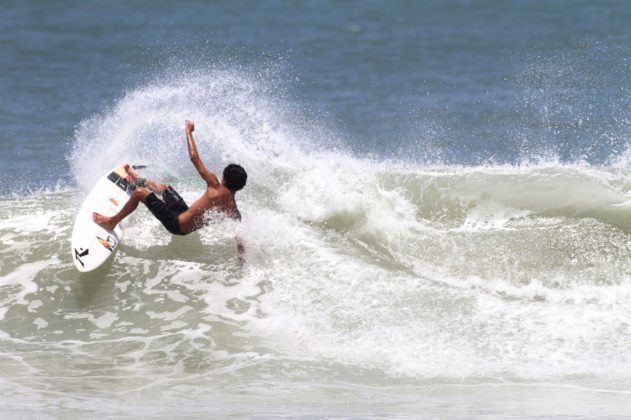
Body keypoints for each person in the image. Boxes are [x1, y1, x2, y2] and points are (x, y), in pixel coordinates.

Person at [92, 120, 247, 256]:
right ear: (239, 187)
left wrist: (188, 132)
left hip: (176, 224)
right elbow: (240, 238)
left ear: (224, 178)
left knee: (139, 194)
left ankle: (112, 221)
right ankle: (138, 179)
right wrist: (241, 258)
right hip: (184, 215)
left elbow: (194, 158)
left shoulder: (215, 184)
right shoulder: (233, 209)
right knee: (165, 189)